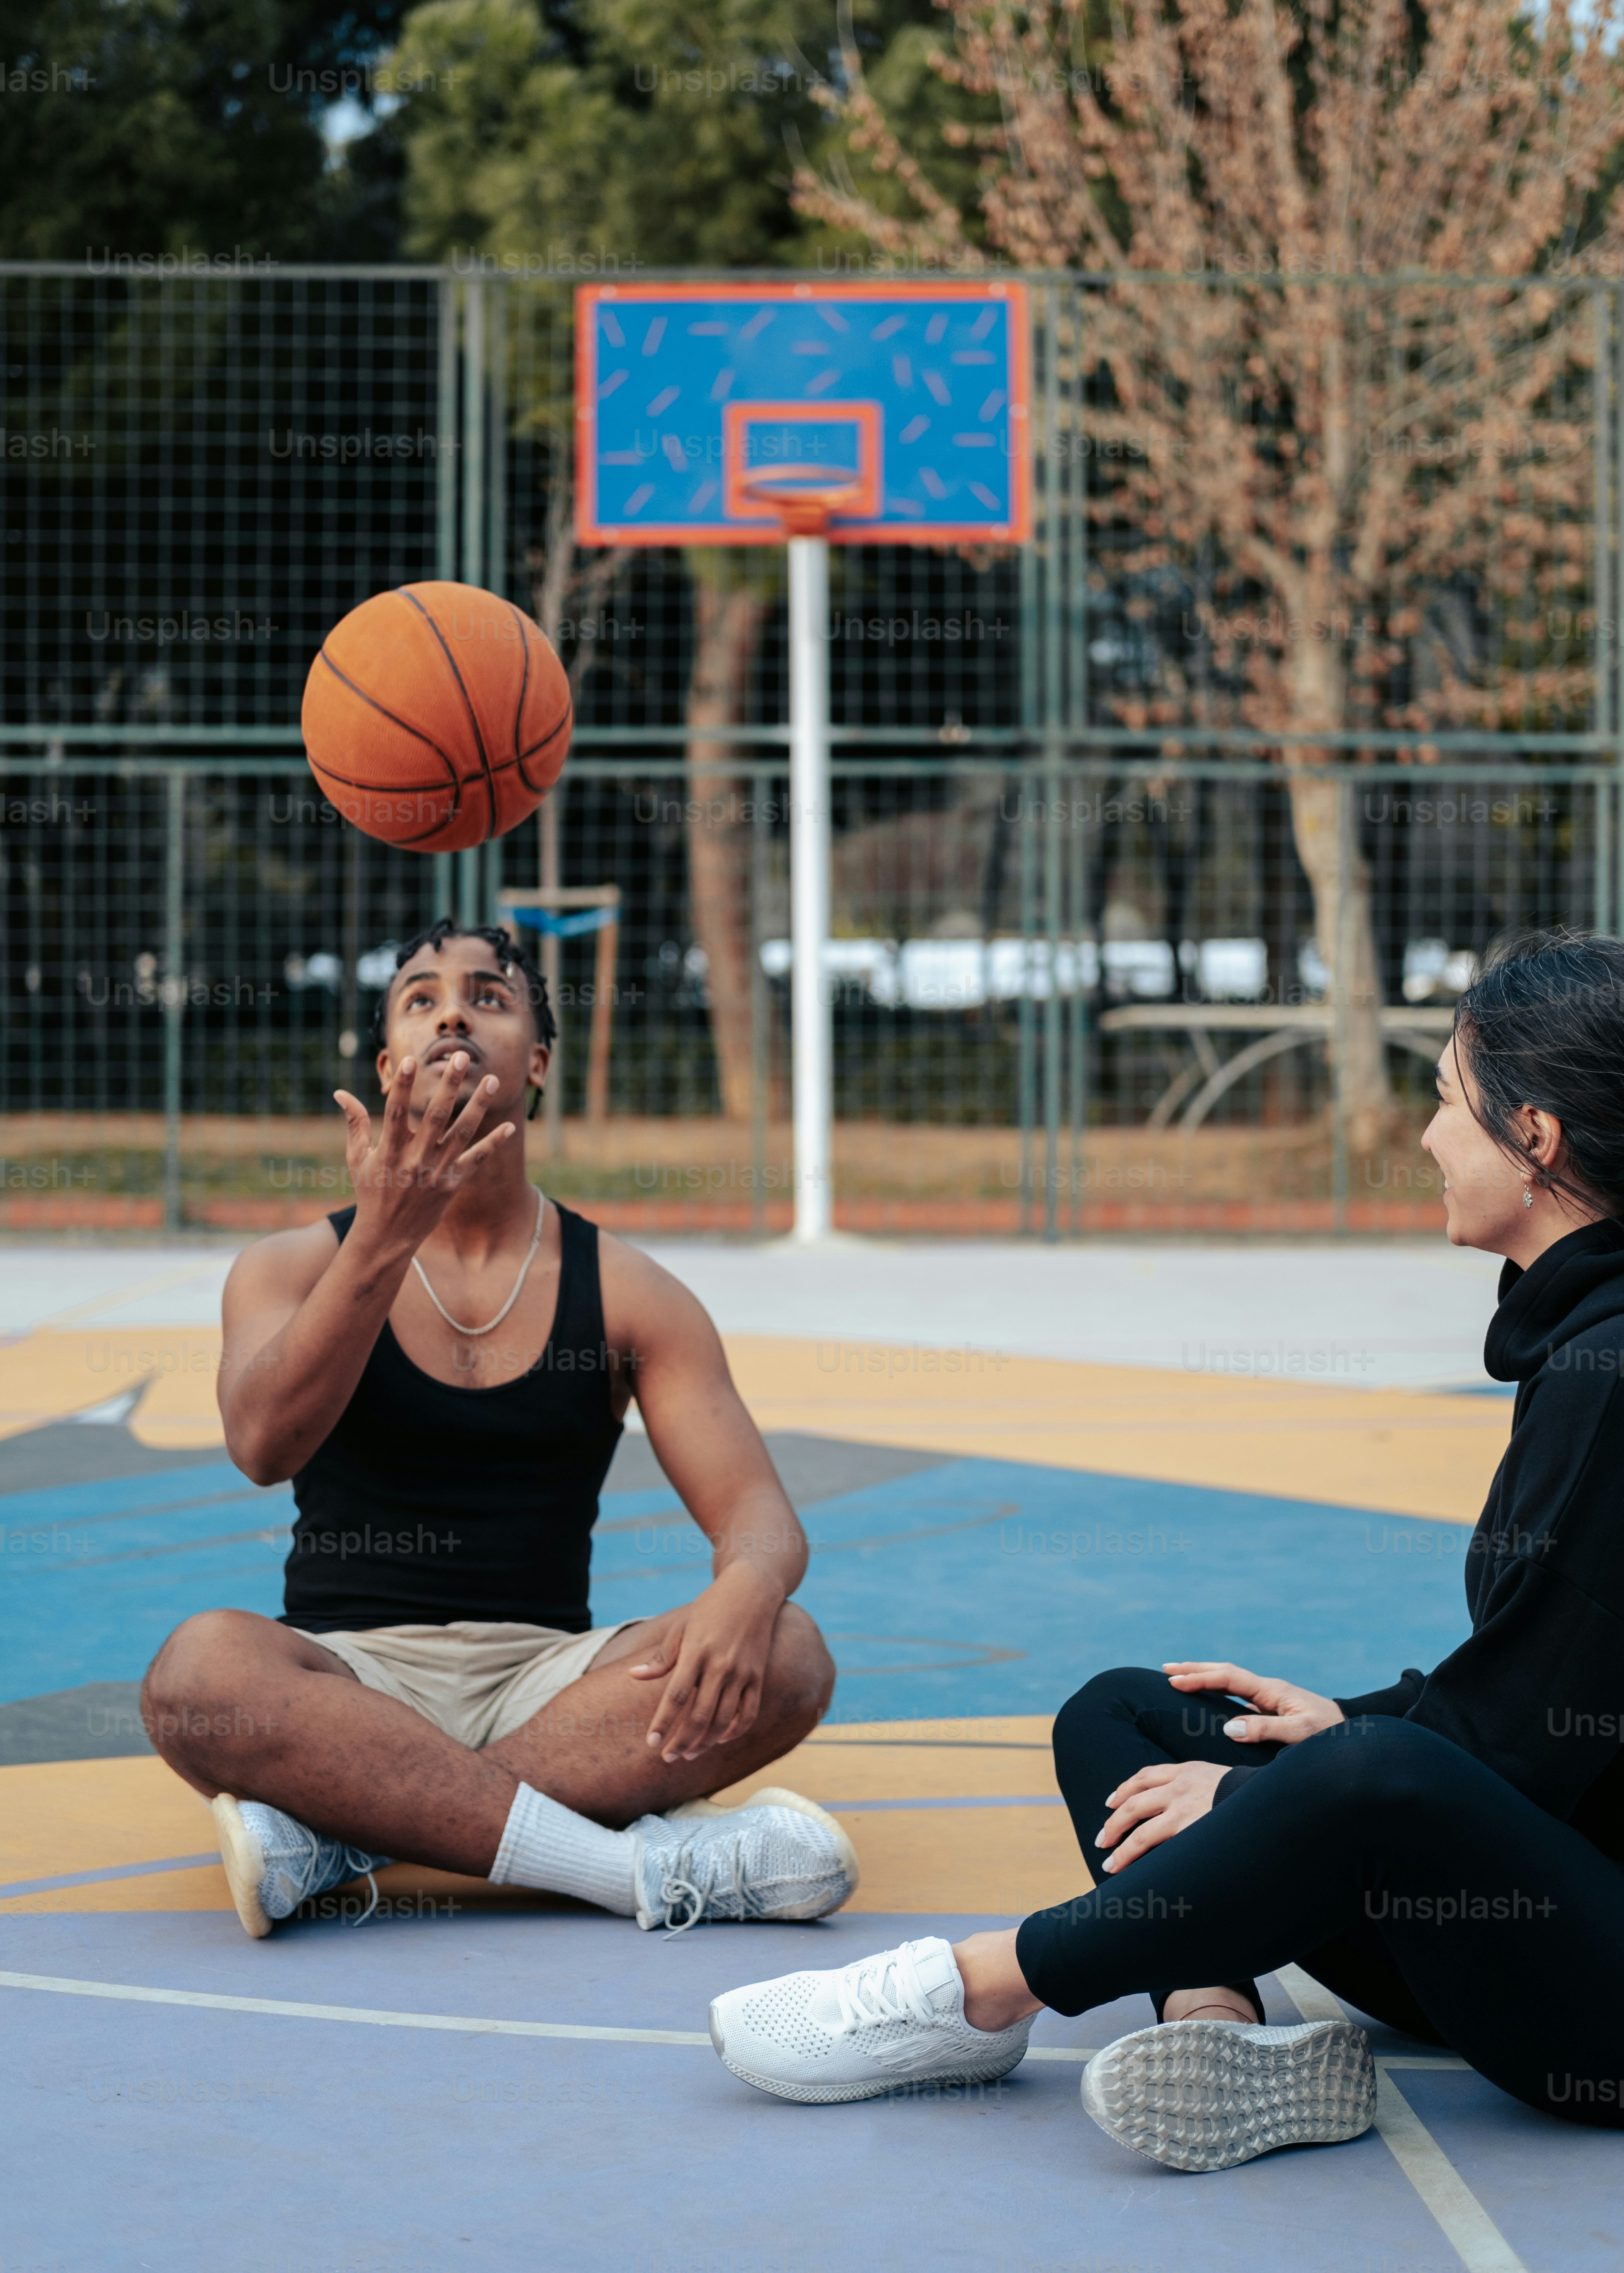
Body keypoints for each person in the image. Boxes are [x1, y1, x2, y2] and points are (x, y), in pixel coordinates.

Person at [708, 928, 1624, 2170]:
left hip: (1591, 1994)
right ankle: (1214, 2026)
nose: (1424, 1136)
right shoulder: (1580, 1341)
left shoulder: (1610, 1372)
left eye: (1444, 1100)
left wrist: (1270, 1788)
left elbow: (1516, 1745)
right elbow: (1557, 1685)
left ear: (1535, 1136)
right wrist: (1328, 1726)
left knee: (1362, 1772)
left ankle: (981, 1987)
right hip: (1518, 1901)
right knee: (1129, 1712)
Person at [143, 916, 854, 1939]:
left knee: (788, 1651)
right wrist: (383, 1238)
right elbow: (262, 1447)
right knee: (200, 1675)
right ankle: (630, 1871)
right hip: (348, 1679)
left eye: (489, 997)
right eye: (422, 999)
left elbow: (758, 1516)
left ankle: (346, 1836)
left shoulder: (630, 1291)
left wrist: (746, 1588)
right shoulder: (289, 1266)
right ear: (388, 1066)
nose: (453, 1017)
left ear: (540, 1063)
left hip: (551, 1684)